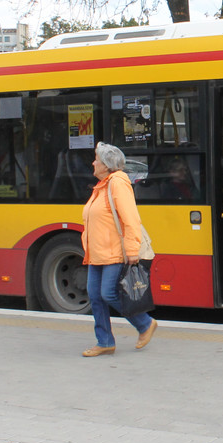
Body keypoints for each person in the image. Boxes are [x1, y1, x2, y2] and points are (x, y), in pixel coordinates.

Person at [80, 142, 157, 356]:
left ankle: (144, 324)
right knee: (95, 296)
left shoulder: (117, 183)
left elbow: (131, 219)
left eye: (96, 159)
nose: (93, 162)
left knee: (109, 293)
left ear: (106, 164)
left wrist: (132, 250)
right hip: (97, 253)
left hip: (114, 251)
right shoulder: (102, 186)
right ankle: (104, 342)